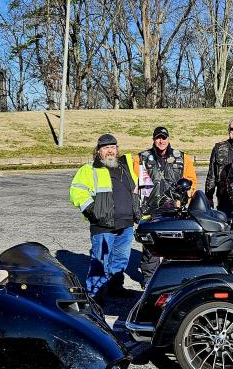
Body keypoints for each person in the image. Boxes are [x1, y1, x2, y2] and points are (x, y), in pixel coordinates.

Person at [69, 134, 139, 300]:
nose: (110, 151)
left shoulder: (125, 167)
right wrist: (94, 212)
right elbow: (77, 192)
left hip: (126, 223)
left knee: (121, 260)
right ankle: (95, 294)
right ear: (98, 151)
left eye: (113, 147)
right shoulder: (89, 170)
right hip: (103, 225)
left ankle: (115, 287)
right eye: (106, 147)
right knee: (100, 262)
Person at [135, 126, 198, 286]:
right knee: (151, 247)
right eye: (158, 138)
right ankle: (149, 279)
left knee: (176, 245)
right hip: (150, 209)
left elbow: (191, 182)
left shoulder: (182, 158)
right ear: (153, 139)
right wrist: (137, 207)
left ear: (168, 139)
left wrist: (186, 197)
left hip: (175, 209)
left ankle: (174, 278)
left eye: (164, 137)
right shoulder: (141, 158)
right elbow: (135, 184)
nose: (161, 141)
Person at [205, 118, 233, 214]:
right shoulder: (219, 148)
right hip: (224, 198)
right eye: (232, 129)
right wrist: (208, 197)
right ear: (228, 130)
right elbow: (211, 175)